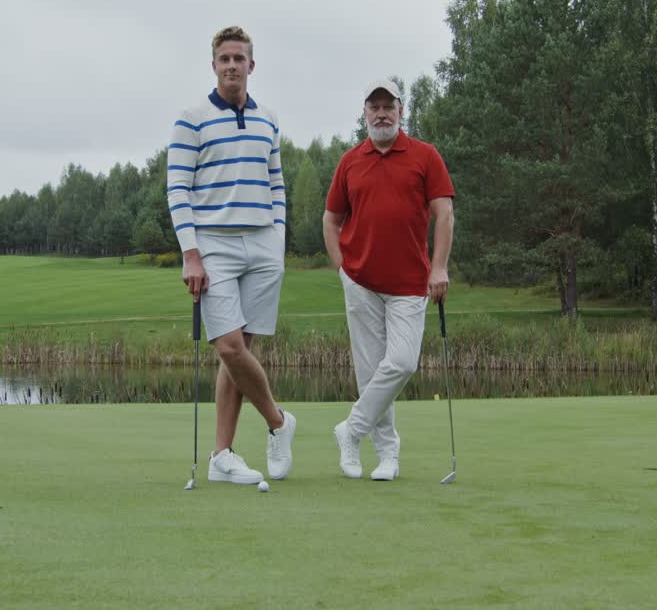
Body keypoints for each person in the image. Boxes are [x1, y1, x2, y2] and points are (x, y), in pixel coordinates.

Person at [166, 26, 296, 485]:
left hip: (263, 242)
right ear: (214, 64)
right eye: (224, 58)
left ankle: (222, 454)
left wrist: (277, 236)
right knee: (229, 346)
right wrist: (191, 253)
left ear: (251, 66)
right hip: (214, 244)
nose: (232, 66)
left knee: (239, 354)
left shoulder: (269, 119)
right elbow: (177, 189)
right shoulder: (192, 117)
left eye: (239, 58)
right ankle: (279, 421)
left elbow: (276, 182)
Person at [322, 79, 455, 481]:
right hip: (360, 281)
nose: (381, 113)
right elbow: (331, 220)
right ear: (364, 113)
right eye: (374, 106)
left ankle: (351, 430)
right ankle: (387, 457)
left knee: (400, 363)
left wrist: (439, 267)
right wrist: (341, 269)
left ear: (401, 111)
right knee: (369, 372)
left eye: (388, 106)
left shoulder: (425, 156)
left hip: (411, 283)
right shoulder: (350, 161)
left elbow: (444, 215)